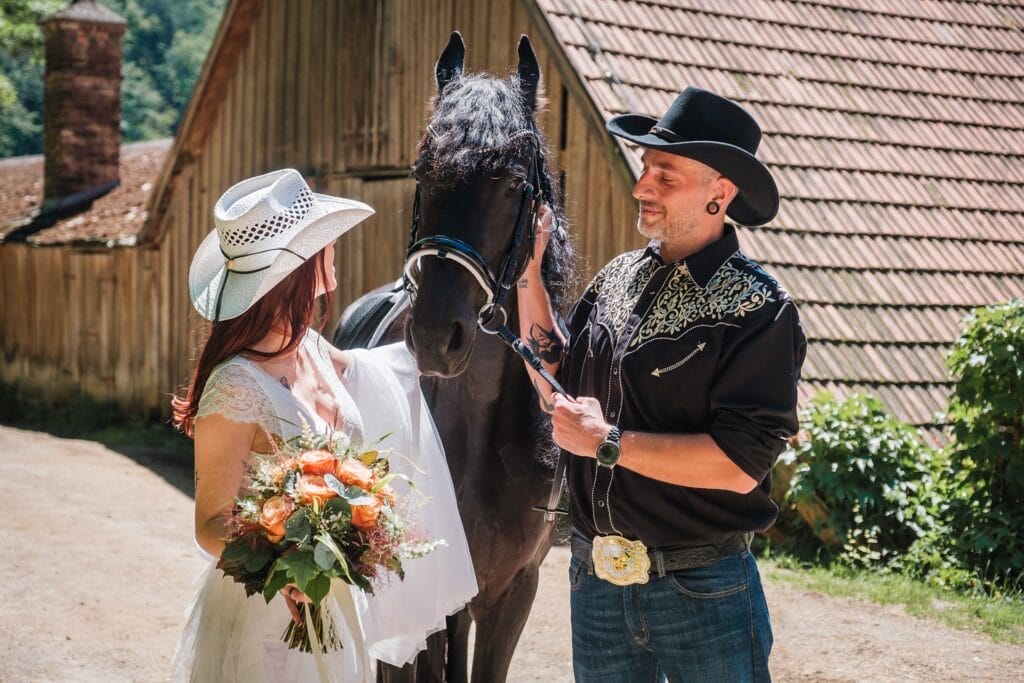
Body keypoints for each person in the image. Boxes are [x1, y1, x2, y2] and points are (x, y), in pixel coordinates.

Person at [517, 87, 806, 681]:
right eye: (645, 169)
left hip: (702, 592)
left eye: (665, 176)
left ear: (718, 194)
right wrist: (527, 271)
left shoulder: (759, 308)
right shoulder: (617, 277)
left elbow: (738, 464)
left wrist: (608, 441)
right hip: (595, 585)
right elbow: (561, 389)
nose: (642, 186)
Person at [170, 169, 477, 682]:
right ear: (300, 268)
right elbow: (209, 524)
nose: (334, 247)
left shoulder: (311, 346)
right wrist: (284, 564)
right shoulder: (234, 386)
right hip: (268, 612)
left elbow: (394, 367)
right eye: (323, 240)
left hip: (334, 605)